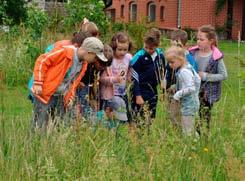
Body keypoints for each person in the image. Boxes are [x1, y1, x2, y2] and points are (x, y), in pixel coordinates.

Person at [31, 37, 108, 130]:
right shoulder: (65, 52)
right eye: (95, 57)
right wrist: (38, 83)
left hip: (60, 96)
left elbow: (73, 82)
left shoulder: (84, 64)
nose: (95, 60)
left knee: (58, 124)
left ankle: (52, 142)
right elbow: (42, 61)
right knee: (39, 124)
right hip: (45, 94)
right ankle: (36, 141)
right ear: (89, 52)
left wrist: (69, 96)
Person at [189, 24, 228, 133]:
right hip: (192, 89)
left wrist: (205, 76)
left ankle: (202, 137)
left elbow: (224, 75)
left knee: (204, 117)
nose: (198, 41)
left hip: (207, 93)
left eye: (202, 39)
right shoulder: (192, 53)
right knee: (191, 113)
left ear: (211, 41)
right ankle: (190, 134)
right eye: (197, 39)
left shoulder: (216, 57)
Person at [130, 28, 165, 124]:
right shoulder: (138, 57)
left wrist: (163, 87)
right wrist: (138, 95)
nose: (148, 50)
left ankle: (148, 135)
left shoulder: (160, 56)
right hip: (140, 91)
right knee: (138, 119)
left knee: (151, 118)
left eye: (151, 48)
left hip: (153, 91)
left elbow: (162, 72)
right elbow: (134, 78)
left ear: (157, 46)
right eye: (146, 47)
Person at [165, 29, 198, 127]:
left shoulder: (188, 60)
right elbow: (167, 71)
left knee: (179, 117)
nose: (174, 49)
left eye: (178, 46)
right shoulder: (171, 57)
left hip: (183, 95)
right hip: (170, 91)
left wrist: (178, 89)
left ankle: (182, 133)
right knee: (171, 115)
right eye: (172, 46)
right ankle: (175, 132)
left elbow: (193, 80)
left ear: (185, 46)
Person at [99, 32, 133, 124]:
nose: (122, 52)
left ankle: (120, 130)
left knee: (125, 115)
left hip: (123, 92)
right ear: (114, 47)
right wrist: (115, 79)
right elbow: (102, 79)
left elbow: (130, 68)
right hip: (110, 95)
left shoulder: (128, 57)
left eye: (125, 49)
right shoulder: (110, 59)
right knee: (109, 117)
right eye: (120, 49)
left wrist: (129, 76)